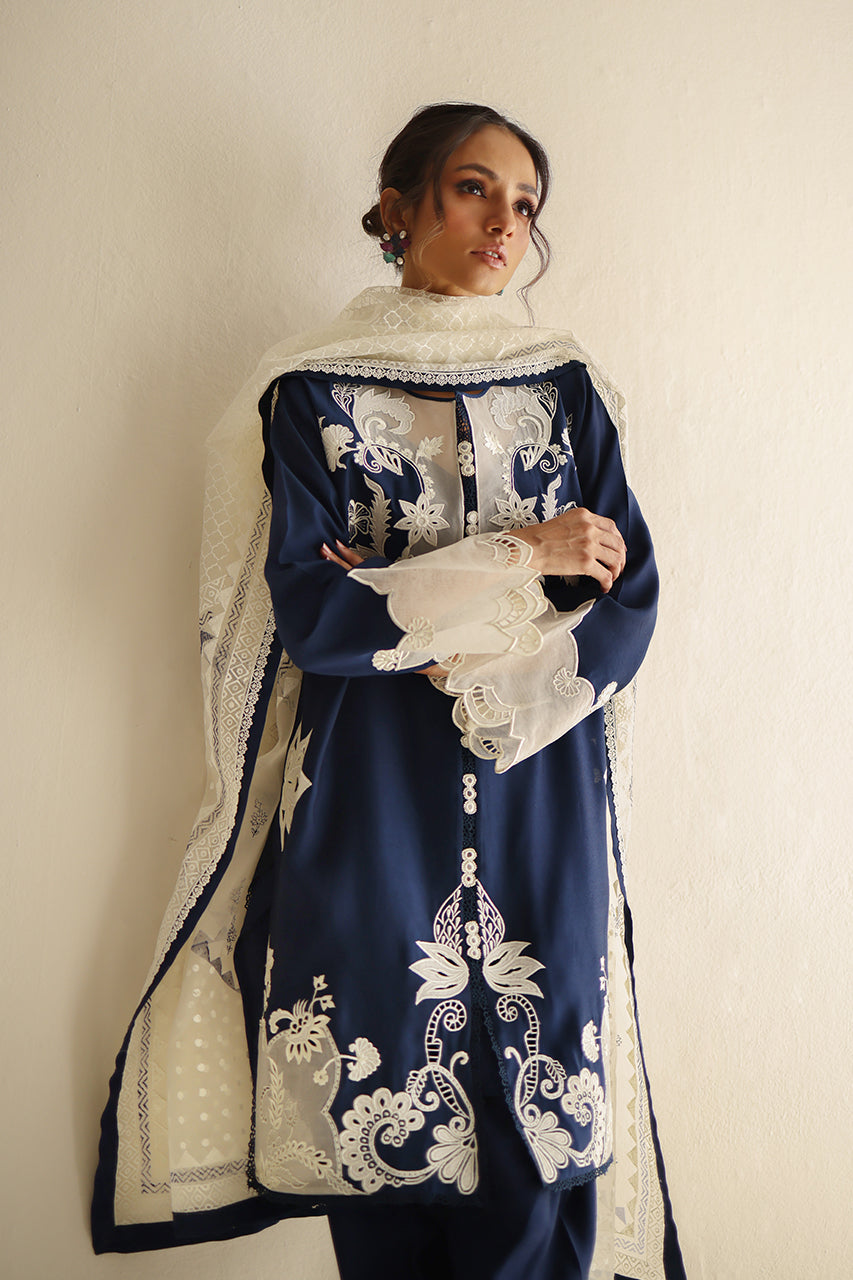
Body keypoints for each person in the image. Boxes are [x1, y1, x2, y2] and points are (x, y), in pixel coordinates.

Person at [92, 104, 685, 1280]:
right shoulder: (308, 393)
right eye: (474, 188)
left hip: (539, 795)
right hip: (365, 804)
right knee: (380, 1170)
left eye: (525, 204)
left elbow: (625, 599)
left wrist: (432, 625)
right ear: (397, 206)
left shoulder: (568, 389)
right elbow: (315, 616)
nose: (505, 223)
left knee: (536, 1168)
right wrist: (525, 555)